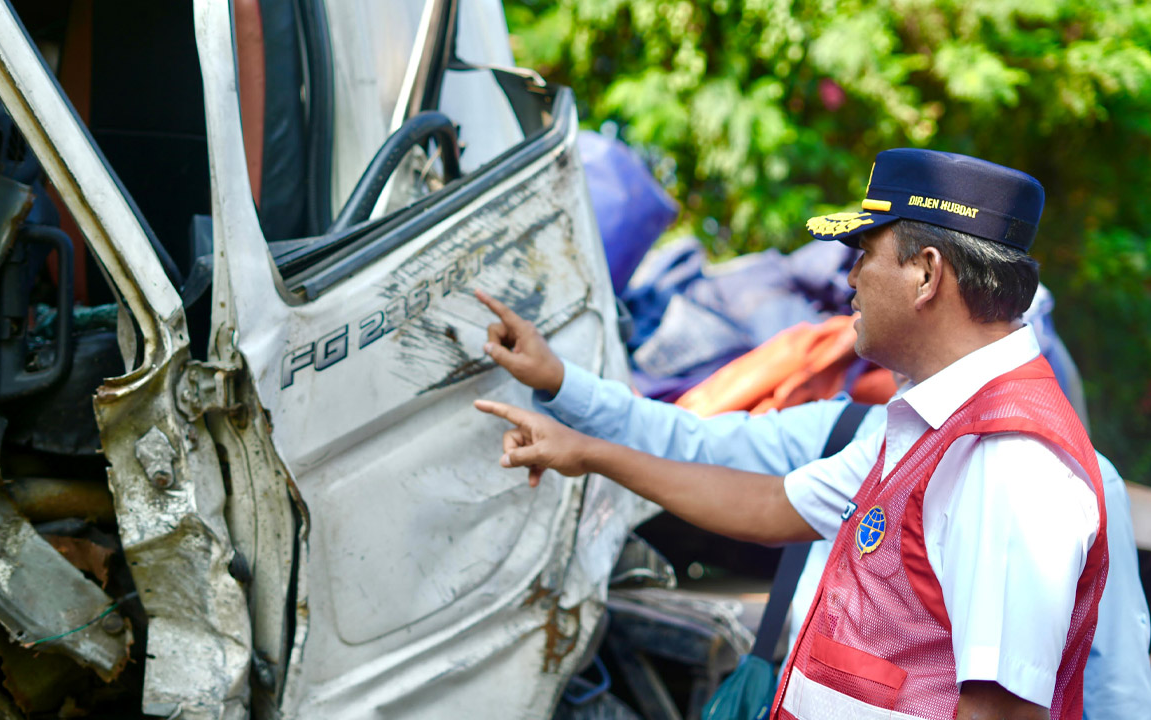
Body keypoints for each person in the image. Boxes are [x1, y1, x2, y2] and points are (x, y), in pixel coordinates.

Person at [473, 149, 1109, 720]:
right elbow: (774, 503)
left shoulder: (1008, 459)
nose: (851, 280)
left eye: (865, 255)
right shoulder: (931, 422)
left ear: (927, 274)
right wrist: (586, 452)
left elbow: (1002, 714)